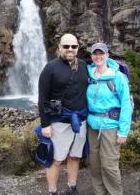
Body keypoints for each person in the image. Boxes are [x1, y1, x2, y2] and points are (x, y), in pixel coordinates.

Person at [38, 33, 89, 195]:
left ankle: (72, 187)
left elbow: (103, 68)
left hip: (80, 121)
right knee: (56, 159)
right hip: (59, 122)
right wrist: (45, 124)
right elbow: (42, 98)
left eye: (73, 46)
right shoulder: (50, 68)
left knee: (75, 156)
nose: (70, 49)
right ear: (59, 47)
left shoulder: (83, 66)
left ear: (78, 48)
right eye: (66, 46)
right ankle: (52, 191)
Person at [86, 42, 133, 195]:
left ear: (107, 55)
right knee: (94, 164)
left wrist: (123, 131)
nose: (98, 56)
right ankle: (98, 192)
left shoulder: (118, 77)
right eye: (95, 53)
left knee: (109, 165)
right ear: (91, 56)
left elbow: (126, 104)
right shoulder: (89, 75)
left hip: (110, 126)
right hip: (92, 125)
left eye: (101, 53)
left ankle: (115, 193)